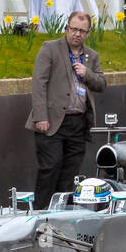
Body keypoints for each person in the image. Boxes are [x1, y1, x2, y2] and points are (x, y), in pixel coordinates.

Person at [25, 11, 107, 211]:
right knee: (50, 168)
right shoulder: (50, 48)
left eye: (82, 31)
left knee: (69, 173)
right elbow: (38, 84)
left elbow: (102, 83)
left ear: (87, 34)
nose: (77, 34)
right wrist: (41, 117)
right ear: (66, 29)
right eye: (74, 29)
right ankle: (40, 212)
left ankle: (61, 215)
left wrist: (86, 73)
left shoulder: (91, 56)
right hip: (52, 122)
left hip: (78, 123)